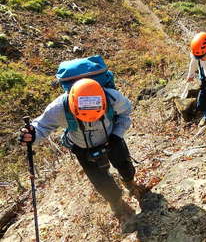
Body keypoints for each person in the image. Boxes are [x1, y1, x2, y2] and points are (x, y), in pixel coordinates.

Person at [19, 78, 147, 220]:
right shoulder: (59, 107)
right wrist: (31, 136)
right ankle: (117, 204)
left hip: (112, 138)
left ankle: (130, 183)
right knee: (101, 181)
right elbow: (41, 126)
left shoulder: (112, 97)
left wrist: (117, 136)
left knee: (125, 165)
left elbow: (125, 114)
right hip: (82, 148)